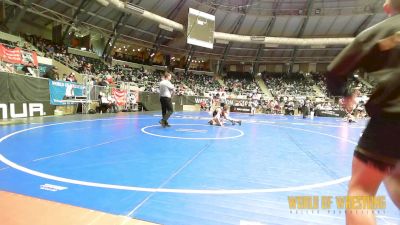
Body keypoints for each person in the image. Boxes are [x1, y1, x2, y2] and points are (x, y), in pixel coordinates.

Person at [325, 1, 400, 224]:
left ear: (388, 6)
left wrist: (345, 94)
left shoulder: (378, 33)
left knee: (361, 191)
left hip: (392, 120)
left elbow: (334, 71)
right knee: (394, 176)